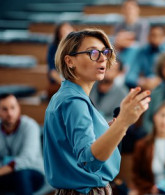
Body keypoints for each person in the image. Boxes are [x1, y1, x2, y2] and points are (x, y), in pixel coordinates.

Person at [43, 29, 151, 194]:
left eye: (105, 52)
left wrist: (110, 130)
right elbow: (89, 161)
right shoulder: (74, 101)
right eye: (92, 52)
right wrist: (123, 122)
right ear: (69, 61)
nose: (102, 58)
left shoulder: (67, 95)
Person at [0, 94, 44, 195]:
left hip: (32, 172)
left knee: (22, 174)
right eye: (4, 109)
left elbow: (27, 158)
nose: (10, 113)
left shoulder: (30, 126)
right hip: (7, 173)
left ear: (18, 108)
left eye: (12, 108)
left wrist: (2, 171)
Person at [125, 25, 165, 90]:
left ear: (164, 37)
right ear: (148, 37)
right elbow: (130, 77)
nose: (156, 38)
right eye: (153, 35)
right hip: (146, 88)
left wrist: (159, 81)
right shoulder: (142, 52)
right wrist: (141, 82)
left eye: (159, 35)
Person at [113, 0, 150, 68]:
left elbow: (141, 44)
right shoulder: (119, 25)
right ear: (123, 10)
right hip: (122, 52)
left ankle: (125, 70)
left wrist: (125, 40)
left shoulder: (142, 24)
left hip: (137, 54)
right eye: (126, 8)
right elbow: (116, 43)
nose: (129, 11)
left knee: (133, 50)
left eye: (131, 8)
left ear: (137, 10)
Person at [47, 22, 74, 99]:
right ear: (59, 36)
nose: (67, 33)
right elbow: (52, 72)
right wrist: (65, 83)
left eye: (69, 30)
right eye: (64, 32)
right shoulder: (53, 48)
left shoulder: (77, 46)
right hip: (60, 82)